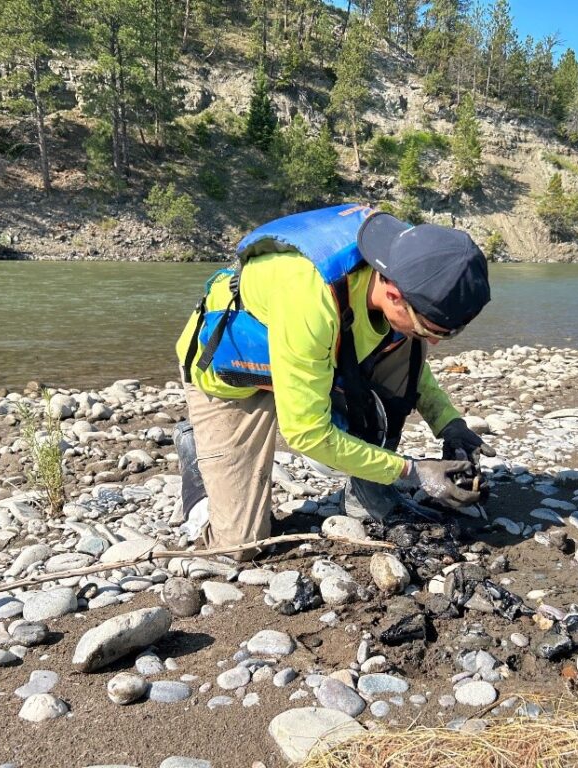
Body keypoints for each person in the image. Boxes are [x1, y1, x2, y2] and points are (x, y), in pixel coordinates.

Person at [173, 204, 494, 560]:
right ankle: (194, 452)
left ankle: (366, 493)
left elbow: (413, 367)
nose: (433, 342)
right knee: (239, 546)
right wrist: (411, 471)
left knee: (407, 348)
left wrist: (450, 424)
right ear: (392, 295)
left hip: (318, 359)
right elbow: (307, 433)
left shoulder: (410, 266)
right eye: (429, 330)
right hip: (236, 374)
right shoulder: (309, 295)